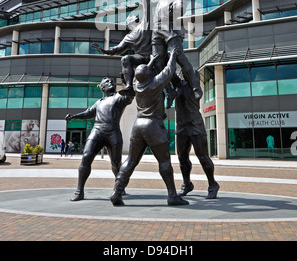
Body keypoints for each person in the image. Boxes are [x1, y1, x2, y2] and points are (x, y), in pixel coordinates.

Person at [110, 49, 188, 207]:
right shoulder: (155, 84)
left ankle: (117, 192)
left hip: (138, 125)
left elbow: (143, 72)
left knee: (131, 161)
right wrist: (172, 55)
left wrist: (151, 61)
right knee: (164, 161)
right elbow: (169, 70)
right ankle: (172, 196)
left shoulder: (138, 85)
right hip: (153, 125)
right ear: (150, 75)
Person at [65, 77, 133, 201]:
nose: (110, 82)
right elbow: (87, 113)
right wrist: (73, 117)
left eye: (112, 81)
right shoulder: (99, 102)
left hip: (113, 131)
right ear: (102, 88)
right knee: (86, 156)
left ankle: (120, 187)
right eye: (107, 82)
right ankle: (79, 191)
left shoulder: (119, 97)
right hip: (97, 130)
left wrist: (128, 84)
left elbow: (130, 95)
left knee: (116, 164)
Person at [151, 0, 202, 103]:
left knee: (180, 58)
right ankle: (170, 90)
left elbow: (180, 11)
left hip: (170, 29)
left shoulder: (180, 1)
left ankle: (195, 86)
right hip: (156, 29)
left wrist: (181, 1)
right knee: (157, 62)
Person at [93, 0, 152, 97]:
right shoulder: (129, 37)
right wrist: (103, 50)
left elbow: (147, 6)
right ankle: (129, 86)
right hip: (141, 58)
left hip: (153, 55)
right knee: (125, 59)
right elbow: (117, 49)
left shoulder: (145, 25)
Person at [174, 71, 219, 199]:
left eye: (187, 74)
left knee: (202, 156)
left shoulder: (196, 87)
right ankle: (187, 184)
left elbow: (187, 69)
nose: (184, 74)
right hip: (181, 126)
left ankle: (213, 184)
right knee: (182, 157)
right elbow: (170, 72)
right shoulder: (178, 85)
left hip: (195, 124)